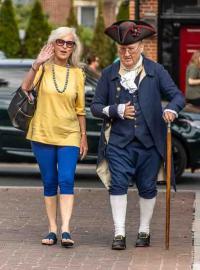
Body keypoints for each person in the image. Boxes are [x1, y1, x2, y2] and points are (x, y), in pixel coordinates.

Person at [91, 20, 185, 250]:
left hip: (150, 142)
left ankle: (144, 230)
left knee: (147, 187)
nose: (126, 53)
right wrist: (116, 110)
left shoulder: (155, 71)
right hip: (118, 143)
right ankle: (119, 233)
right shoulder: (109, 74)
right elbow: (95, 106)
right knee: (118, 185)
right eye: (122, 49)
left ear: (141, 47)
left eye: (131, 49)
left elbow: (178, 96)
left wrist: (171, 109)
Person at [21, 27, 88, 247]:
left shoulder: (78, 74)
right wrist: (36, 63)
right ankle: (52, 229)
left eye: (70, 44)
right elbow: (25, 87)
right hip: (42, 133)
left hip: (69, 134)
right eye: (61, 42)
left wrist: (83, 136)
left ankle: (66, 230)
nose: (65, 47)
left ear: (73, 48)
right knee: (49, 182)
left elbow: (80, 109)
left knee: (66, 179)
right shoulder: (43, 69)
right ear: (53, 44)